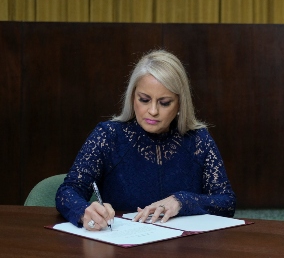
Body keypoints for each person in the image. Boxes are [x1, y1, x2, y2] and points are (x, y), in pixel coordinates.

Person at [56, 50, 236, 231]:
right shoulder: (108, 136)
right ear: (133, 97)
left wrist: (181, 201)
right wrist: (84, 211)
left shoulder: (198, 140)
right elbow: (68, 191)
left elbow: (226, 202)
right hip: (123, 245)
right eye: (144, 100)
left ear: (181, 103)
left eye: (164, 102)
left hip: (184, 248)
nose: (153, 111)